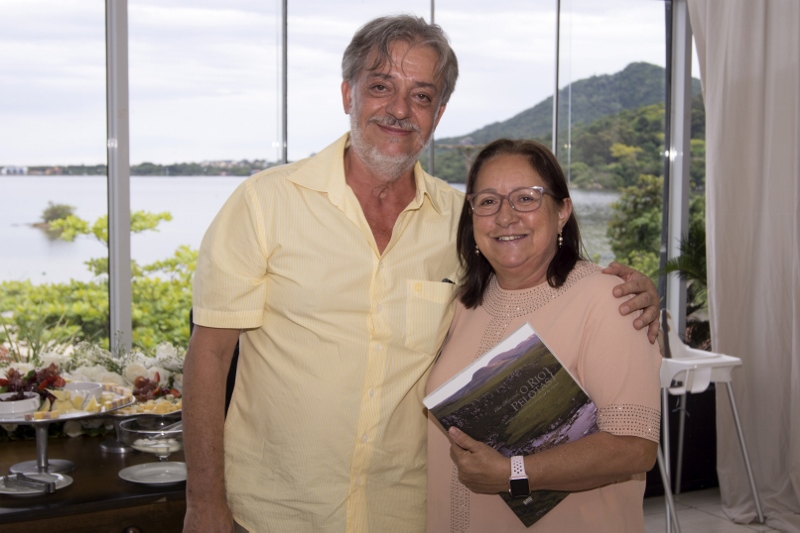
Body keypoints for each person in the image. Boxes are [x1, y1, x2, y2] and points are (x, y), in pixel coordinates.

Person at [182, 15, 660, 533]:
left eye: (421, 95)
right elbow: (209, 356)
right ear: (347, 93)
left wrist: (636, 297)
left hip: (404, 514)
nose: (399, 109)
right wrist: (204, 501)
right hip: (276, 512)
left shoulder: (461, 222)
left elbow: (539, 282)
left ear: (439, 113)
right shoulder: (263, 203)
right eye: (381, 86)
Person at [426, 138, 662, 532]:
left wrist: (514, 474)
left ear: (562, 210)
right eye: (488, 201)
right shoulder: (463, 304)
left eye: (526, 198)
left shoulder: (609, 301)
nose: (505, 217)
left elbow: (635, 448)